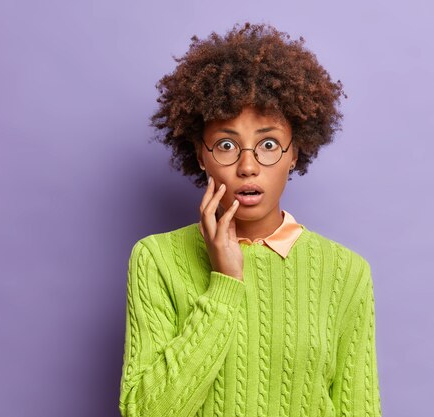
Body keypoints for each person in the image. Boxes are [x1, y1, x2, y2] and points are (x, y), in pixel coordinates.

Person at [118, 21, 382, 417]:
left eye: (269, 144)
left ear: (295, 151)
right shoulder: (156, 259)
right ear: (201, 153)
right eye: (226, 145)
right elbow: (145, 411)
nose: (248, 166)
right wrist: (225, 284)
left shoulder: (346, 272)